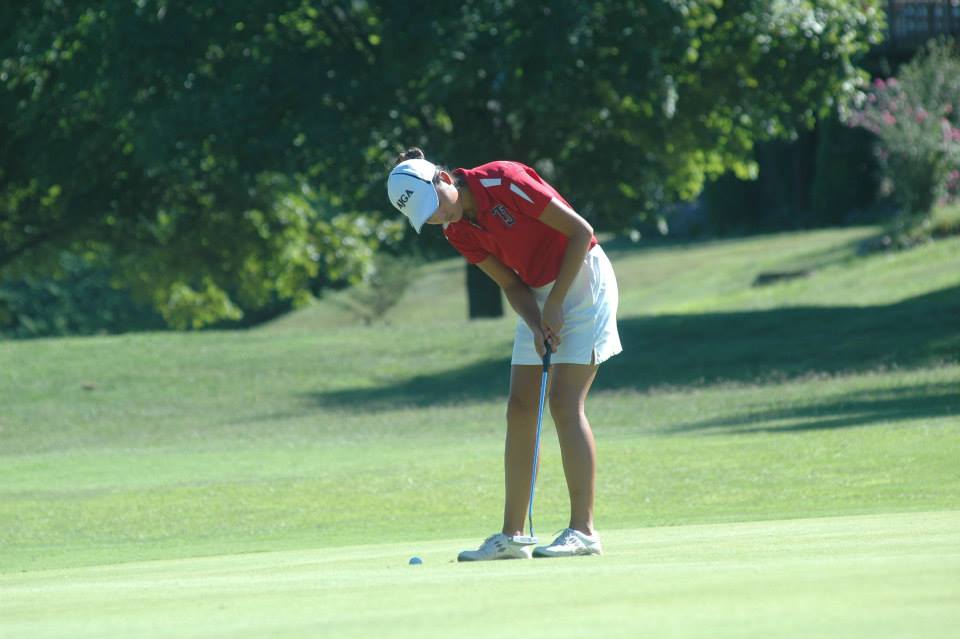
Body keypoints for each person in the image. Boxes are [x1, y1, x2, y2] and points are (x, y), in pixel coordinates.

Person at [386, 148, 622, 560]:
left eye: (436, 206)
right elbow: (512, 286)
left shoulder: (504, 181)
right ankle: (513, 536)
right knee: (519, 406)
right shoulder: (458, 231)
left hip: (582, 278)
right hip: (535, 294)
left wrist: (555, 305)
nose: (438, 217)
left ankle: (583, 532)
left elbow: (580, 233)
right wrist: (536, 322)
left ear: (442, 179)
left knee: (564, 403)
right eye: (428, 216)